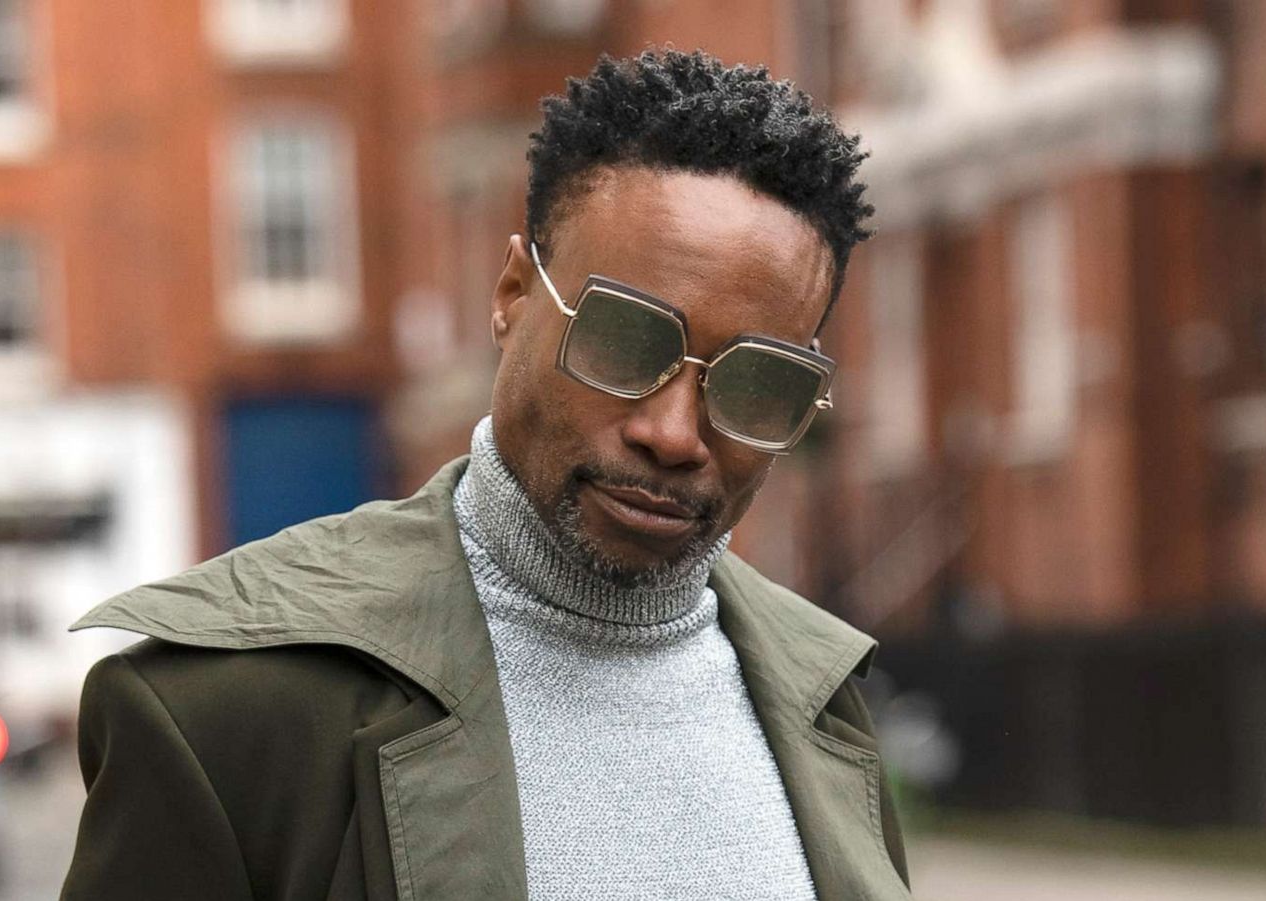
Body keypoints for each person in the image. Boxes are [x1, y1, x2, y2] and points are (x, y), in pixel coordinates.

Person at [61, 49, 909, 901]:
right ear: (510, 295)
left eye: (758, 385)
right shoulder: (230, 711)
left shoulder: (823, 702)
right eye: (623, 339)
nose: (673, 432)